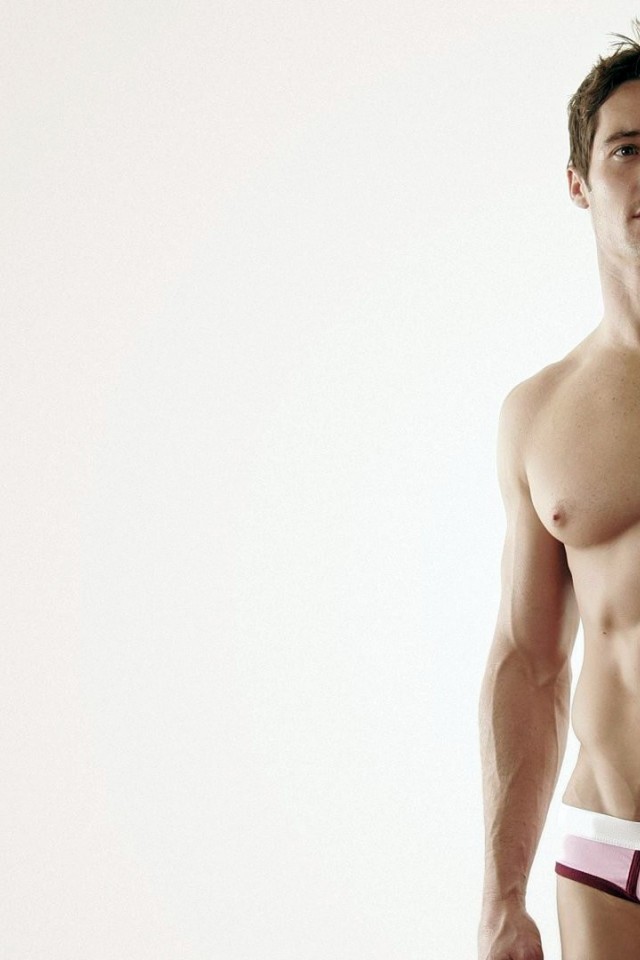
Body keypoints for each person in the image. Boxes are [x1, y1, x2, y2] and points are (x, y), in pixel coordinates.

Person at [478, 20, 640, 960]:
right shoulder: (541, 414)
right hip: (607, 860)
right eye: (628, 149)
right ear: (579, 181)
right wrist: (502, 898)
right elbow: (529, 661)